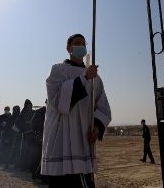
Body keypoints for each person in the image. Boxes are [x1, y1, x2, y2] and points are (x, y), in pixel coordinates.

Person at [41, 33, 112, 188]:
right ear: (69, 48)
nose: (81, 46)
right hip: (60, 140)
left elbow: (103, 107)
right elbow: (57, 101)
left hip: (83, 141)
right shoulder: (57, 70)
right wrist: (83, 78)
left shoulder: (96, 78)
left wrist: (97, 127)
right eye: (77, 43)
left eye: (83, 44)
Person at [14, 99, 35, 170]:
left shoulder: (34, 112)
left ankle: (30, 167)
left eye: (30, 105)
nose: (29, 107)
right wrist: (23, 128)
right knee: (24, 151)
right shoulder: (22, 114)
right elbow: (17, 124)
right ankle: (22, 166)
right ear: (25, 106)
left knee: (32, 152)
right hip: (25, 135)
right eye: (28, 105)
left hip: (33, 135)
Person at [30, 103, 47, 183]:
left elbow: (32, 124)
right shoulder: (42, 111)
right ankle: (39, 176)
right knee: (40, 157)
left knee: (38, 157)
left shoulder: (40, 111)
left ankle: (36, 175)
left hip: (41, 137)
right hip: (42, 137)